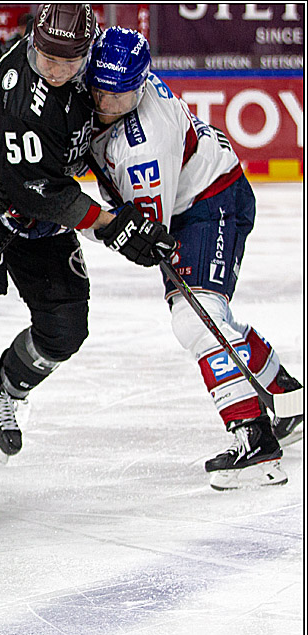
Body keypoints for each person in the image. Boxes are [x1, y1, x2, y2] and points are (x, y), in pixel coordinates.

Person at [0, 3, 175, 464]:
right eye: (48, 59)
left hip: (39, 198)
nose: (58, 70)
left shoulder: (94, 68)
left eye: (70, 61)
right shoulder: (24, 99)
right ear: (32, 41)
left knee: (65, 325)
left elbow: (79, 152)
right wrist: (110, 225)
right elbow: (37, 193)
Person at [85, 27, 303, 490]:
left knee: (196, 318)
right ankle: (286, 396)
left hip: (208, 203)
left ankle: (256, 441)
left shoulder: (144, 148)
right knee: (212, 318)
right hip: (202, 187)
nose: (105, 104)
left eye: (118, 97)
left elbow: (145, 234)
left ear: (139, 87)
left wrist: (82, 219)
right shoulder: (116, 80)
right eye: (98, 90)